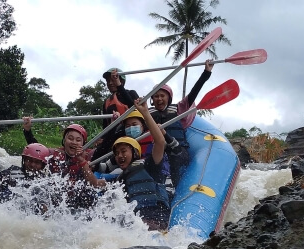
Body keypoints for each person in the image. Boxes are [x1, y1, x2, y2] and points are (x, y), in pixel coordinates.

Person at [148, 60, 214, 186]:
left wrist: (206, 73)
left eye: (162, 95)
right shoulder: (148, 113)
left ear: (169, 98)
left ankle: (175, 188)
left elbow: (193, 93)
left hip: (179, 150)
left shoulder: (179, 109)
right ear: (152, 99)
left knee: (174, 157)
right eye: (156, 96)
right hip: (159, 151)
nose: (159, 99)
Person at [111, 99, 170, 231]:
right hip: (138, 221)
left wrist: (145, 112)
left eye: (124, 151)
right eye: (117, 153)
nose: (120, 155)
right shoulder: (121, 177)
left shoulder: (150, 166)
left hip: (156, 216)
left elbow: (160, 141)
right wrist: (81, 162)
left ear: (135, 152)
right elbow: (98, 182)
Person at [22, 120, 106, 209]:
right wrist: (27, 131)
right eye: (70, 138)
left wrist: (82, 161)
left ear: (83, 144)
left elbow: (106, 146)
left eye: (78, 140)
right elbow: (37, 150)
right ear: (64, 140)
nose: (74, 142)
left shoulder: (89, 155)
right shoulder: (55, 153)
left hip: (78, 198)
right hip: (58, 197)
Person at [91, 68, 139, 163]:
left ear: (121, 81)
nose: (110, 83)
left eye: (113, 80)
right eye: (108, 81)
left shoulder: (131, 94)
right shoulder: (107, 102)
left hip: (129, 132)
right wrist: (102, 138)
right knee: (100, 150)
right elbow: (106, 125)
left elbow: (133, 105)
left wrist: (119, 86)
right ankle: (92, 167)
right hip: (113, 135)